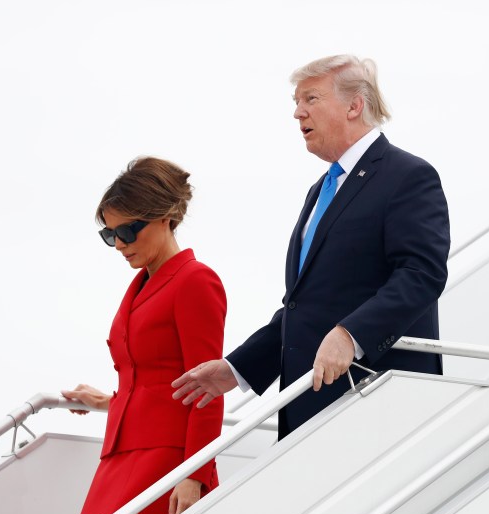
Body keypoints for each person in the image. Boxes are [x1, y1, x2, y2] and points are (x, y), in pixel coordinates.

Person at [172, 54, 450, 439]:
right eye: (295, 102)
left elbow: (422, 275)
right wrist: (237, 369)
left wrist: (350, 335)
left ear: (355, 105)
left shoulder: (408, 175)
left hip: (376, 399)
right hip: (310, 403)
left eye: (311, 99)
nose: (298, 113)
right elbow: (304, 304)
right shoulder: (321, 190)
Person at [63, 157, 226, 514]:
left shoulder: (194, 281)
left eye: (130, 231)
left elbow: (207, 388)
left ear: (165, 218)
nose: (119, 244)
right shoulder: (140, 285)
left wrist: (194, 473)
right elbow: (148, 376)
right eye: (110, 234)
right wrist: (110, 402)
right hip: (120, 454)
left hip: (169, 459)